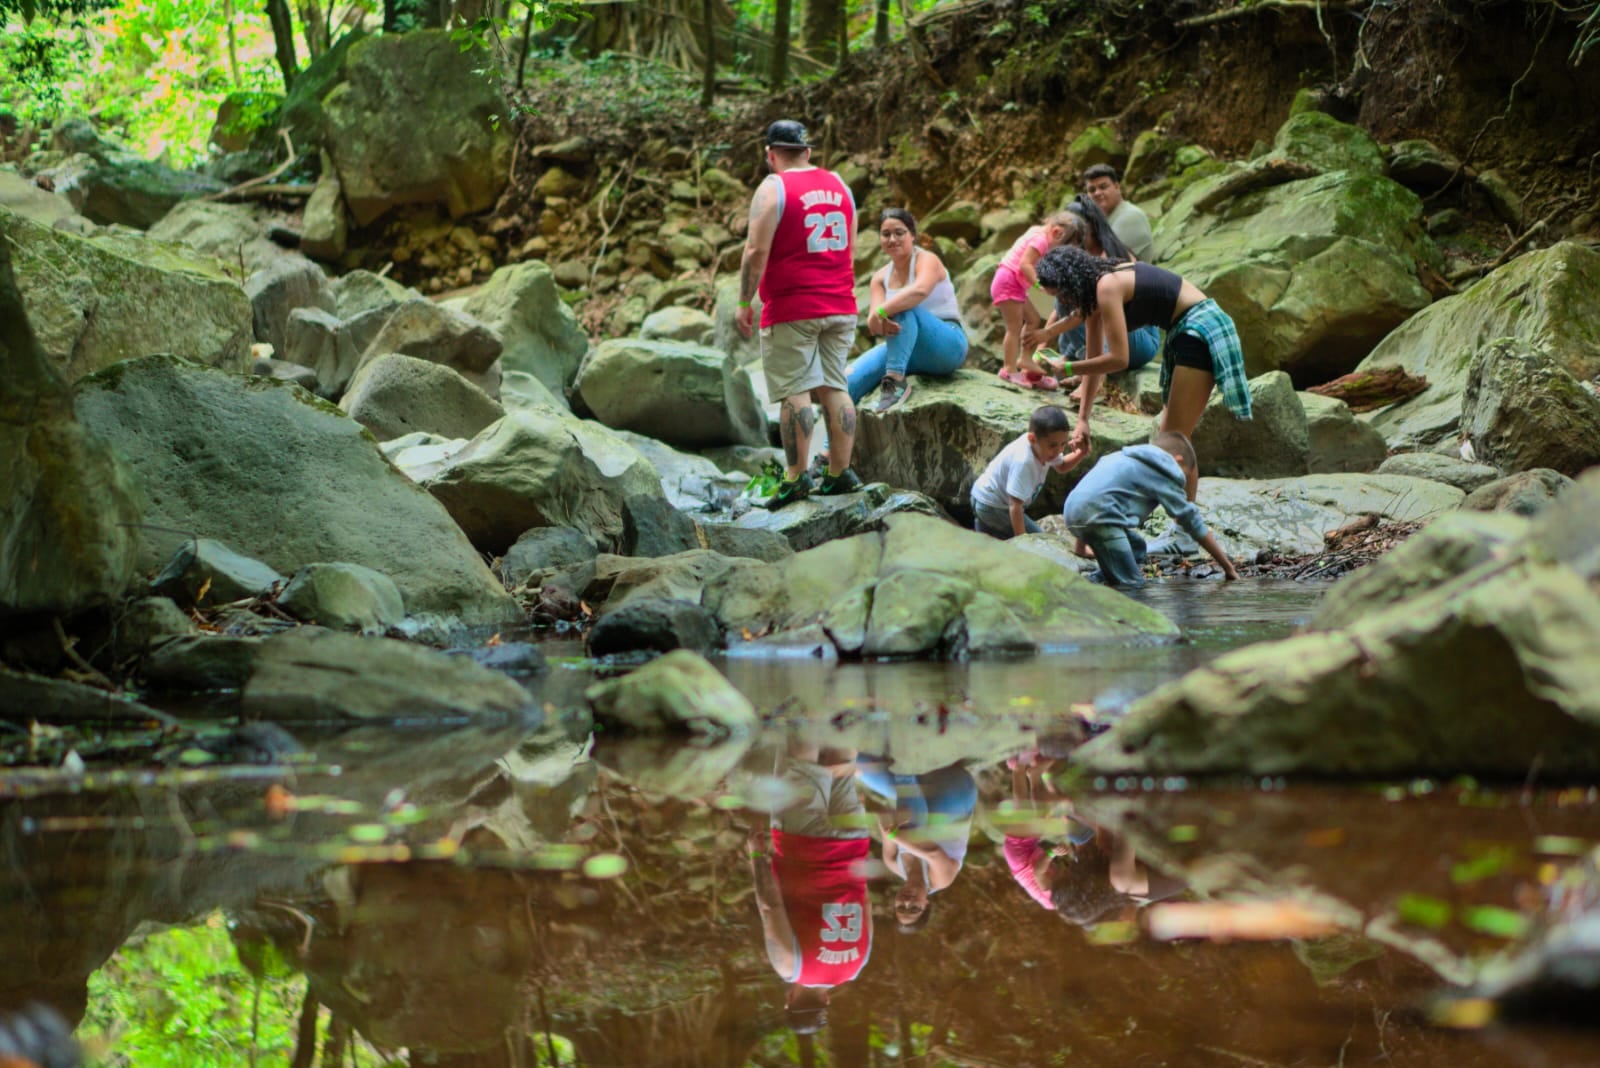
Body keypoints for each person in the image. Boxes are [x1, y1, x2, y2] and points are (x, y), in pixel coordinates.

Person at [736, 119, 864, 510]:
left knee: (795, 391)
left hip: (793, 307)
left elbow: (755, 251)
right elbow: (852, 246)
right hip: (840, 303)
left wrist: (744, 301)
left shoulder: (773, 187)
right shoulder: (840, 185)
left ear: (770, 155)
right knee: (834, 385)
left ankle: (795, 478)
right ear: (808, 152)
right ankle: (839, 473)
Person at [1033, 244, 1253, 456]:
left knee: (1174, 441)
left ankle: (1181, 495)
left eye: (1061, 294)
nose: (1063, 301)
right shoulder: (1095, 297)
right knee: (1169, 439)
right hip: (1184, 331)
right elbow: (1094, 358)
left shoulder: (1107, 286)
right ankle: (1178, 494)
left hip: (1200, 327)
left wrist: (1070, 368)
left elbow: (1119, 358)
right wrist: (1083, 420)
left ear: (1072, 283)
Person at [747, 737, 873, 1035]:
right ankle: (808, 697)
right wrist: (755, 856)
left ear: (826, 998)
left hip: (852, 844)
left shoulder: (857, 966)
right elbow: (769, 906)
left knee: (840, 763)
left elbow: (865, 901)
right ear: (789, 999)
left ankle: (846, 701)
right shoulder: (790, 966)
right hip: (802, 844)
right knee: (801, 759)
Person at [1061, 430, 1241, 588]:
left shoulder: (1120, 456)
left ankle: (1096, 581)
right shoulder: (1164, 469)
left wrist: (1081, 545)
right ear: (1177, 460)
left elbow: (1089, 497)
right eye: (1183, 477)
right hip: (1101, 520)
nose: (1179, 486)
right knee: (1133, 586)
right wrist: (1228, 567)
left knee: (1137, 548)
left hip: (1072, 511)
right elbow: (1193, 523)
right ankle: (1086, 591)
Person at [1024, 196, 1161, 384]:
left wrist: (1048, 336)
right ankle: (1074, 363)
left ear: (1090, 227)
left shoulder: (1110, 254)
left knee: (1072, 298)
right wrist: (1041, 346)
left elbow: (1089, 313)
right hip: (1117, 335)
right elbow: (1061, 308)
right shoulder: (1078, 259)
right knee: (1066, 295)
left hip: (1140, 340)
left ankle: (1091, 373)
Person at [847, 208, 969, 413]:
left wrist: (884, 311)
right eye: (886, 234)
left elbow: (919, 291)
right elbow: (873, 324)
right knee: (847, 380)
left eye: (899, 233)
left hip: (948, 345)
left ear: (912, 235)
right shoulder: (879, 277)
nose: (892, 239)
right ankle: (830, 444)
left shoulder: (927, 259)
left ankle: (895, 382)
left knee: (902, 307)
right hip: (907, 347)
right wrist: (880, 320)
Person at [854, 758, 977, 933]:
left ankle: (902, 769)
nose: (906, 902)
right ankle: (906, 763)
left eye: (900, 907)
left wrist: (888, 826)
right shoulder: (941, 880)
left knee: (858, 764)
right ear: (926, 904)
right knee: (912, 829)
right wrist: (896, 836)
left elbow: (886, 823)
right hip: (956, 793)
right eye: (914, 909)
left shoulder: (893, 863)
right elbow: (932, 852)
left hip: (922, 796)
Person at [969, 404, 1088, 540]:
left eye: (1063, 444)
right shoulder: (1024, 461)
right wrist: (1024, 540)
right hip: (993, 506)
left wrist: (1081, 453)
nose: (1059, 451)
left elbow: (1062, 466)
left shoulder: (1042, 448)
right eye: (1053, 445)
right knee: (1039, 540)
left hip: (982, 497)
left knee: (985, 542)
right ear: (1032, 438)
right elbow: (1015, 506)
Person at [989, 213, 1072, 391]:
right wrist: (1038, 284)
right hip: (1008, 281)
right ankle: (1009, 370)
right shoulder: (1041, 240)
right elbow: (1025, 264)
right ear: (1056, 232)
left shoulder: (1036, 231)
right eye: (1060, 246)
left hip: (1014, 284)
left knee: (1033, 319)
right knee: (1014, 326)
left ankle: (1025, 360)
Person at [1082, 163, 1153, 262]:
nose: (1097, 193)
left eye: (1103, 187)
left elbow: (1103, 263)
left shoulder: (1130, 216)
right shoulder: (1105, 219)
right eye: (1092, 190)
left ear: (1117, 187)